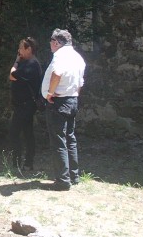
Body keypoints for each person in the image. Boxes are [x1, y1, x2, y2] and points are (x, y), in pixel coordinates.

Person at [41, 28, 86, 191]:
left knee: (59, 140)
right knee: (70, 138)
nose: (50, 46)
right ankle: (74, 176)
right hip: (72, 99)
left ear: (56, 42)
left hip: (59, 101)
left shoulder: (60, 55)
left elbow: (57, 73)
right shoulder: (77, 57)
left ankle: (62, 180)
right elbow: (80, 83)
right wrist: (73, 95)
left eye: (51, 43)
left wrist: (50, 93)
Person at [8, 37, 42, 176]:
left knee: (14, 133)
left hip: (25, 106)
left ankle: (17, 162)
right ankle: (28, 163)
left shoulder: (32, 64)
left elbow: (12, 75)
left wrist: (16, 61)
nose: (19, 51)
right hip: (22, 105)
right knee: (27, 133)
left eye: (21, 48)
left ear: (29, 49)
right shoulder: (26, 62)